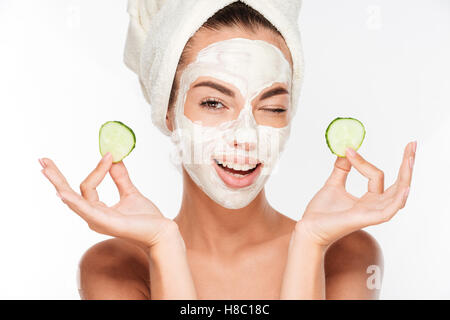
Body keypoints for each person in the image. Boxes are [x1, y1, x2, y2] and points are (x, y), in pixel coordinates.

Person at [38, 1, 416, 299]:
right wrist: (163, 245)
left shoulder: (347, 255)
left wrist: (310, 242)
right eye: (214, 103)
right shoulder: (113, 266)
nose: (246, 137)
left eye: (272, 108)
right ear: (167, 110)